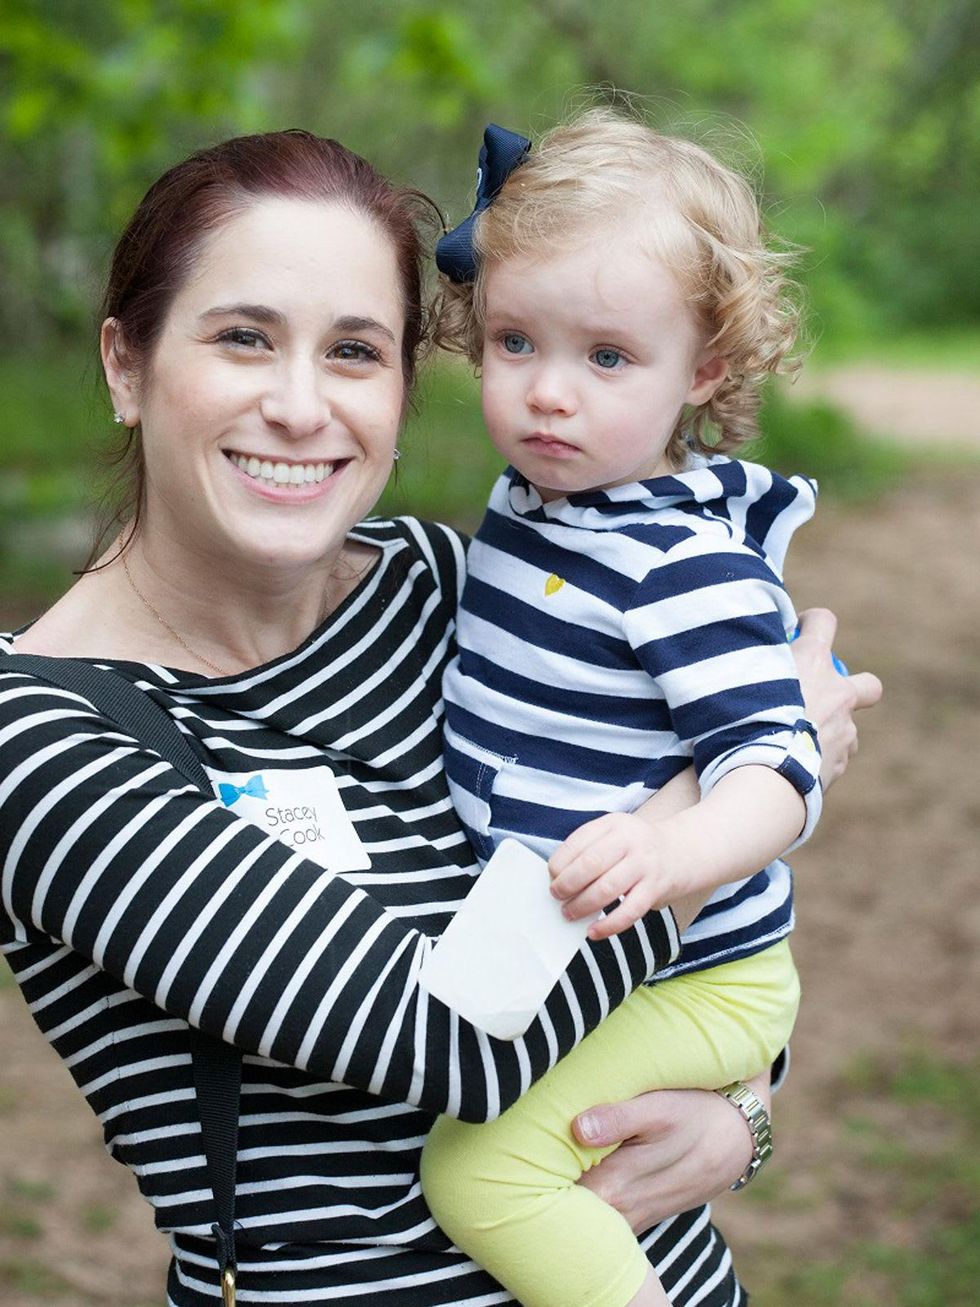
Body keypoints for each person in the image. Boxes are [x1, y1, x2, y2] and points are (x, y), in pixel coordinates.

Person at [0, 129, 879, 1307]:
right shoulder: (46, 742)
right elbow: (450, 1043)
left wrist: (740, 1107)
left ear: (405, 389)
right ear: (125, 364)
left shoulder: (448, 584)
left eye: (354, 350)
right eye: (244, 337)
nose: (300, 404)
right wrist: (745, 779)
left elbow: (692, 963)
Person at [420, 110, 840, 1307]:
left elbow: (776, 763)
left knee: (482, 1170)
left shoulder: (679, 563)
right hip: (601, 963)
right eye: (514, 341)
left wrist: (669, 844)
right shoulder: (531, 509)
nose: (548, 394)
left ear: (700, 370)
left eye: (607, 358)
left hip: (697, 975)